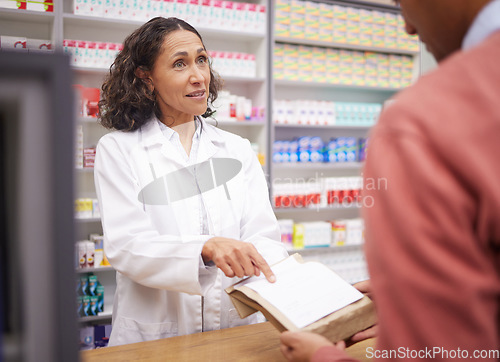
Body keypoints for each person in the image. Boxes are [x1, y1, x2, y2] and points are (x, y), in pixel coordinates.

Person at [280, 0, 500, 360]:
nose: (408, 28)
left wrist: (324, 357)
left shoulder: (424, 120)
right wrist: (417, 301)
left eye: (400, 3)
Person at [94, 17, 288, 346]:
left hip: (235, 329)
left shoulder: (236, 149)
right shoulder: (119, 150)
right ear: (146, 78)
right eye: (179, 64)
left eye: (201, 59)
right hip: (155, 337)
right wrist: (204, 249)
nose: (198, 76)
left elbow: (263, 236)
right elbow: (128, 246)